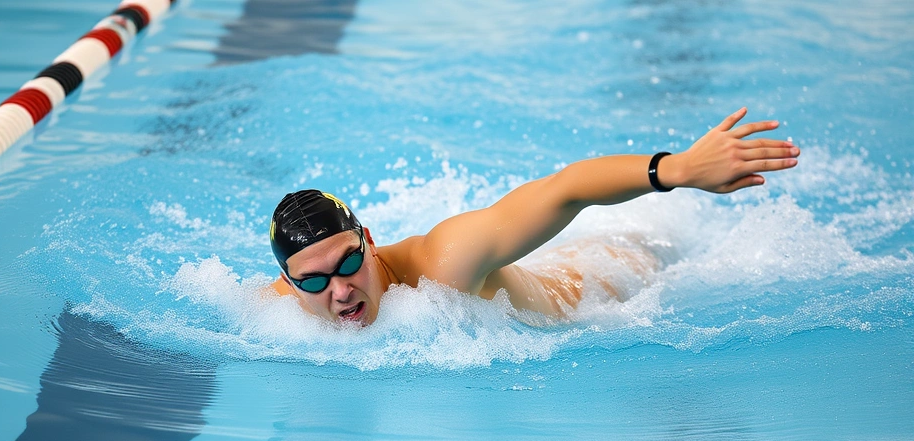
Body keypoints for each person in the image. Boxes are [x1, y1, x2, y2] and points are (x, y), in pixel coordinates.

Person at [269, 108, 800, 326]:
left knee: (647, 245)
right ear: (292, 282)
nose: (337, 290)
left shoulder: (443, 264)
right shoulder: (282, 305)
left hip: (604, 280)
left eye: (346, 264)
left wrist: (677, 168)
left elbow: (564, 190)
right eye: (313, 280)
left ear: (369, 240)